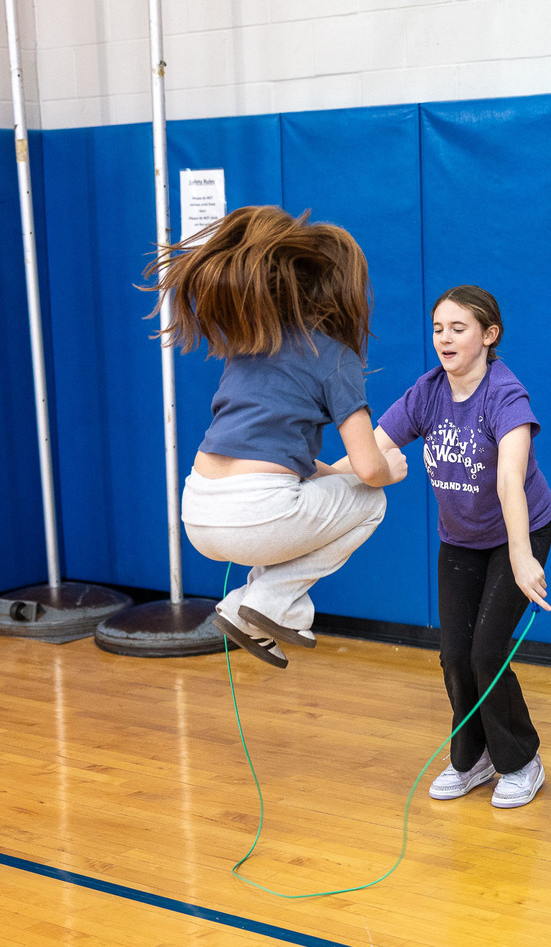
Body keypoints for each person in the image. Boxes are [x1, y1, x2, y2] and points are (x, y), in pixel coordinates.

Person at [144, 205, 407, 670]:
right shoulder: (335, 356)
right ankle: (263, 601)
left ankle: (251, 605)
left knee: (313, 493)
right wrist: (390, 470)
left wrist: (337, 474)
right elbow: (368, 469)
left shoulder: (249, 345)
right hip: (259, 514)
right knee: (373, 501)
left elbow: (283, 461)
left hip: (198, 512)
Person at [373, 285, 551, 808]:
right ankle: (472, 757)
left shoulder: (505, 395)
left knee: (486, 653)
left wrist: (522, 556)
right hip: (461, 539)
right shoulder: (428, 391)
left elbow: (510, 480)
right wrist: (316, 478)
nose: (444, 339)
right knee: (455, 656)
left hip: (519, 533)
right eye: (437, 329)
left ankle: (521, 761)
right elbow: (373, 451)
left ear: (488, 335)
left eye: (458, 328)